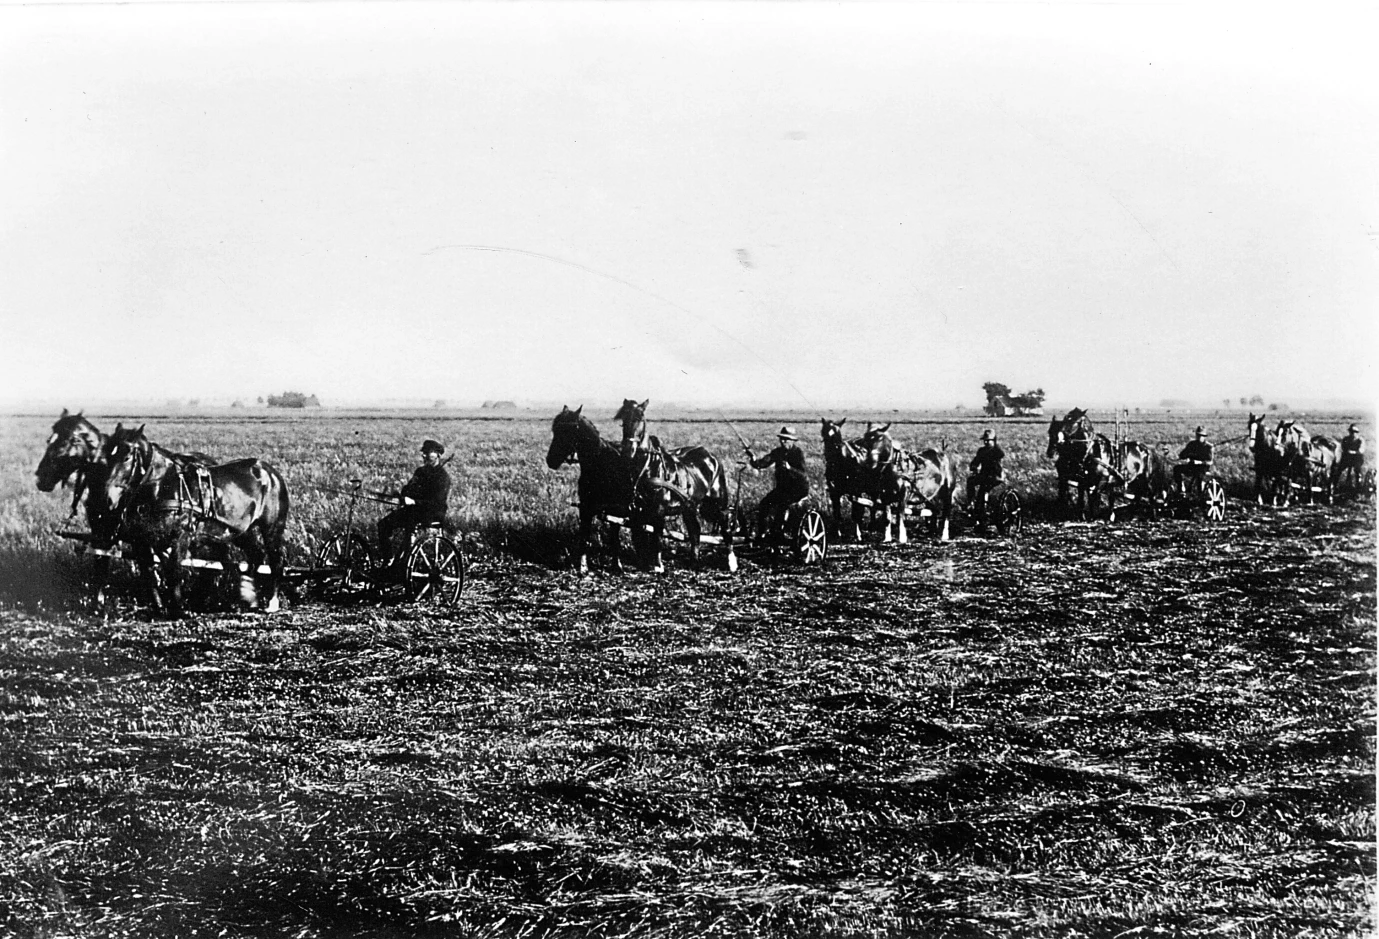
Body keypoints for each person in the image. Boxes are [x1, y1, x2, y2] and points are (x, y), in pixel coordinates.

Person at [377, 439, 451, 562]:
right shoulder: (420, 472)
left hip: (431, 514)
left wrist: (414, 502)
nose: (424, 455)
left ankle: (403, 562)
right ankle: (388, 561)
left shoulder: (442, 477)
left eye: (427, 453)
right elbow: (408, 489)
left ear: (438, 454)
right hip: (414, 512)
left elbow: (437, 503)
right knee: (383, 525)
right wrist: (402, 496)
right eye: (423, 453)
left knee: (409, 528)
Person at [745, 426, 809, 541]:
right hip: (783, 489)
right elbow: (763, 463)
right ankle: (762, 533)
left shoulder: (797, 453)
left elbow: (803, 475)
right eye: (781, 439)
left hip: (798, 489)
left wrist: (790, 469)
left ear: (792, 441)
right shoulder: (777, 452)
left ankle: (779, 532)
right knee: (764, 504)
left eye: (786, 439)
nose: (783, 441)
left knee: (783, 505)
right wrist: (753, 459)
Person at [966, 429, 1005, 521]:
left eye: (988, 441)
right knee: (971, 481)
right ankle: (971, 503)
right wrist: (974, 467)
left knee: (982, 490)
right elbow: (975, 461)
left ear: (994, 441)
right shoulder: (981, 451)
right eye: (985, 441)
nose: (986, 443)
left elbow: (997, 466)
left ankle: (982, 511)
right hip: (984, 475)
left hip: (995, 476)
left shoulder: (997, 451)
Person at [1173, 426, 1214, 496]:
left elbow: (1210, 461)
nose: (1199, 437)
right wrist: (1185, 456)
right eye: (1198, 435)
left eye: (1201, 435)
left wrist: (1199, 462)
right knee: (1176, 469)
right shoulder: (1191, 444)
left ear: (1204, 436)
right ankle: (1181, 489)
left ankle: (1199, 494)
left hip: (1202, 468)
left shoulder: (1209, 447)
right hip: (1191, 466)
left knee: (1198, 475)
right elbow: (1182, 455)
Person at [1338, 423, 1365, 487]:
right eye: (1351, 432)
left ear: (1357, 433)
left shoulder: (1360, 440)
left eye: (1355, 432)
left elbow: (1361, 450)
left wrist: (1353, 452)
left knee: (1357, 469)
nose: (1353, 433)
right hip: (1347, 458)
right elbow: (1343, 447)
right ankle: (1335, 483)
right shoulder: (1346, 439)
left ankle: (1358, 484)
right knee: (1338, 470)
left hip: (1357, 458)